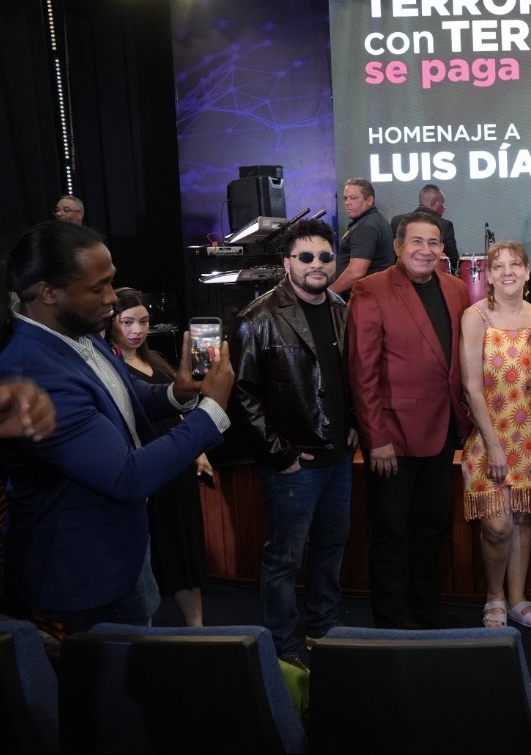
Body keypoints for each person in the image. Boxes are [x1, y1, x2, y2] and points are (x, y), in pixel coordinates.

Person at [0, 222, 233, 631]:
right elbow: (127, 476)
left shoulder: (76, 332)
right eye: (98, 287)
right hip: (84, 573)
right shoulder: (33, 369)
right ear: (48, 292)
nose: (112, 298)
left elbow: (117, 395)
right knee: (117, 672)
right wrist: (212, 409)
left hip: (123, 548)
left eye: (111, 282)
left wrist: (175, 394)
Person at [230, 219, 358, 671]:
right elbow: (241, 394)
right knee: (285, 558)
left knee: (331, 547)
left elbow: (349, 377)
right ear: (287, 263)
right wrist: (278, 452)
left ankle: (323, 627)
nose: (316, 264)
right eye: (306, 256)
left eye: (325, 256)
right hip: (294, 464)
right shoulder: (258, 317)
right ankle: (284, 645)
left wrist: (354, 424)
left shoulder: (341, 307)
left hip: (338, 457)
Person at [347, 212, 472, 629]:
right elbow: (362, 372)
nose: (425, 250)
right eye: (416, 241)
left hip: (442, 431)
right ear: (398, 246)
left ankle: (425, 606)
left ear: (442, 249)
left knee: (431, 527)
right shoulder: (371, 289)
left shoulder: (456, 289)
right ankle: (390, 618)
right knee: (389, 531)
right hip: (393, 436)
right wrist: (375, 438)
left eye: (433, 242)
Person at [460, 241, 531, 630]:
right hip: (490, 439)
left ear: (528, 272)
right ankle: (494, 597)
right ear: (489, 275)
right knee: (497, 526)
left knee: (523, 519)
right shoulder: (476, 316)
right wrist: (494, 446)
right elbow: (471, 387)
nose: (508, 271)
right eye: (498, 266)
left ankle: (517, 599)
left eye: (516, 264)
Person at [109, 288, 215, 628]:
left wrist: (198, 451)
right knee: (157, 550)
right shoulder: (110, 367)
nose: (137, 330)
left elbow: (180, 410)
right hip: (148, 464)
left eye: (143, 321)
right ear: (110, 322)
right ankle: (150, 632)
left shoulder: (154, 359)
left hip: (179, 460)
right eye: (127, 322)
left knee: (185, 546)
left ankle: (196, 628)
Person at [332, 177, 395, 295]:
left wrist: (329, 293)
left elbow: (355, 273)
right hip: (374, 295)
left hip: (365, 297)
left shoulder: (365, 227)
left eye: (353, 198)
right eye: (345, 198)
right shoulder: (374, 220)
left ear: (369, 200)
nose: (347, 202)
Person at [391, 184, 459, 271]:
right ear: (434, 203)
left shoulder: (396, 220)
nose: (444, 207)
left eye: (432, 243)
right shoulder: (445, 225)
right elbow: (452, 259)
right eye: (442, 203)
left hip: (399, 274)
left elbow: (390, 254)